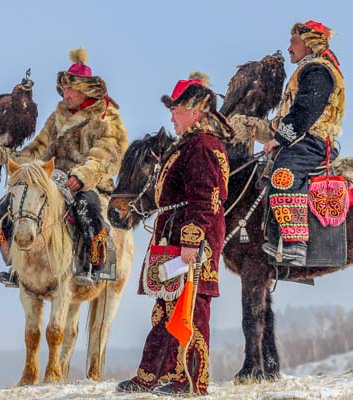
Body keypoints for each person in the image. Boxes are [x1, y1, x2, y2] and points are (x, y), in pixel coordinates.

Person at [117, 75, 233, 395]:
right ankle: (154, 375)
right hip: (173, 236)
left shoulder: (204, 146)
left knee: (191, 310)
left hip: (192, 241)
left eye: (177, 109)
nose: (171, 115)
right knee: (167, 308)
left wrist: (191, 242)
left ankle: (192, 381)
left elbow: (205, 196)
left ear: (195, 111)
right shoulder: (190, 144)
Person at [0, 48, 128, 285]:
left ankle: (94, 266)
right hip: (54, 180)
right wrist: (8, 157)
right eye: (63, 88)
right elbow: (39, 149)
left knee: (86, 208)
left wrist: (83, 176)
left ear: (85, 89)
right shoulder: (58, 116)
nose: (65, 93)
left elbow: (106, 156)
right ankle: (15, 263)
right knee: (4, 207)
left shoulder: (106, 118)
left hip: (90, 184)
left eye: (70, 88)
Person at [236, 20, 345, 266]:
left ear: (309, 44)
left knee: (283, 175)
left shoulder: (319, 71)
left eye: (293, 42)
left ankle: (296, 244)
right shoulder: (306, 70)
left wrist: (279, 139)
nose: (288, 48)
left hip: (312, 142)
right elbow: (288, 117)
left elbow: (305, 111)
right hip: (300, 139)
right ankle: (275, 241)